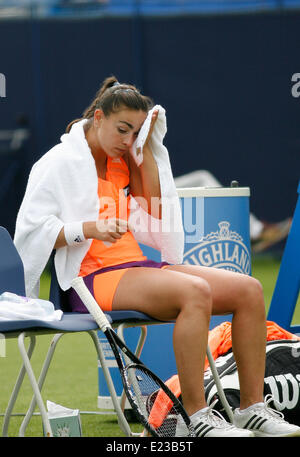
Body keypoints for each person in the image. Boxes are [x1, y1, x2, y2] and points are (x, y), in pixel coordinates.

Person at [14, 76, 300, 438]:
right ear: (98, 117)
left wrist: (145, 147)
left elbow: (153, 210)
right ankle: (197, 417)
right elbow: (31, 232)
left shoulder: (123, 161)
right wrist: (88, 229)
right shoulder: (57, 163)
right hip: (89, 281)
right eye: (122, 130)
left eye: (135, 132)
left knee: (249, 290)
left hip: (134, 268)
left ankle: (251, 408)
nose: (127, 140)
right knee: (194, 292)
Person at [174, 170, 292, 253]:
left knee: (203, 178)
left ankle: (253, 231)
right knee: (202, 178)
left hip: (162, 186)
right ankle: (253, 232)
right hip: (158, 191)